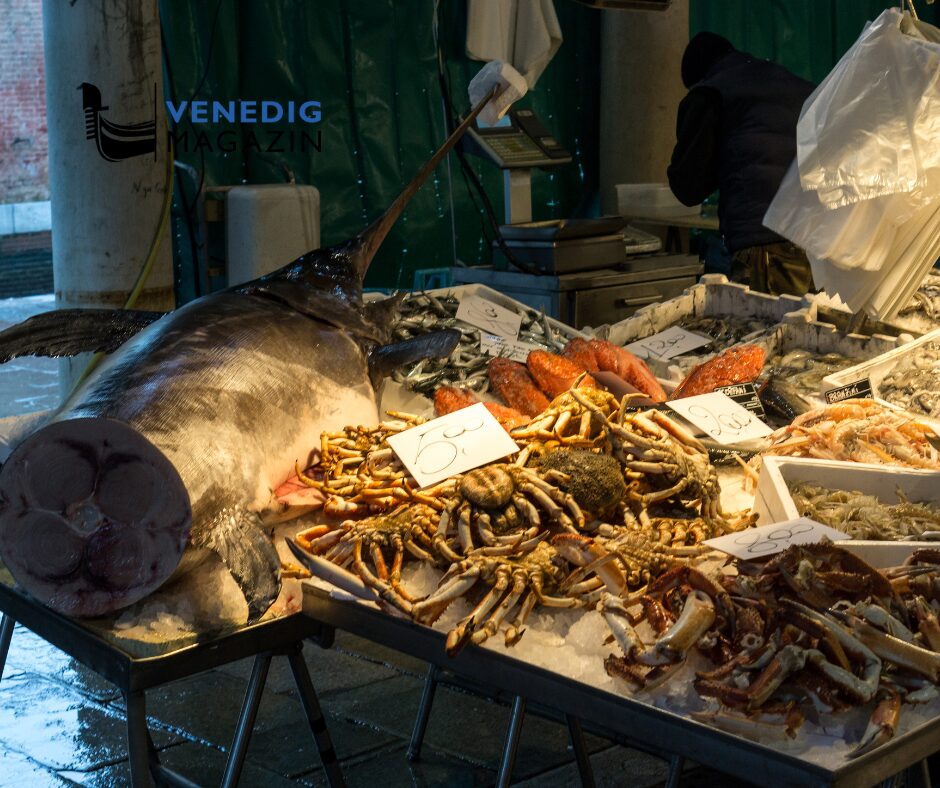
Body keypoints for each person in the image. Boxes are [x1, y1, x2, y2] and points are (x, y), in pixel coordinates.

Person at [667, 32, 816, 296]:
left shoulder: (710, 92)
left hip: (766, 241)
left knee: (771, 332)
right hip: (824, 237)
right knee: (818, 329)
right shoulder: (791, 83)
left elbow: (688, 186)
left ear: (699, 76)